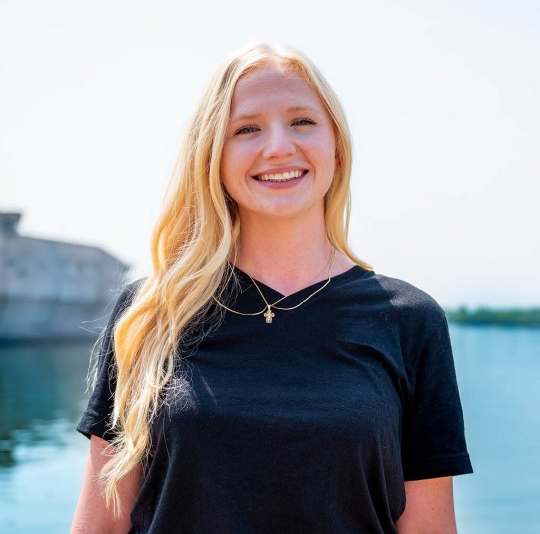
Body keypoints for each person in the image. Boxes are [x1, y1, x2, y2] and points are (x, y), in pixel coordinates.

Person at [71, 43, 472, 533]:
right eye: (246, 129)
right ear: (212, 157)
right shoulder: (151, 312)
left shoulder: (410, 319)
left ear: (337, 148)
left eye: (302, 121)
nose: (279, 146)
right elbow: (100, 524)